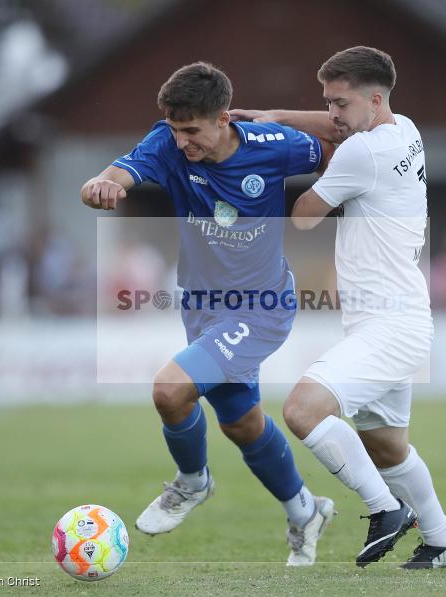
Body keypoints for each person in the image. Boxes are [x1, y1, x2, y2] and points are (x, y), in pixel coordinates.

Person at [80, 62, 336, 565]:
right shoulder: (166, 141)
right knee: (241, 424)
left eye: (191, 131)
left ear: (223, 118)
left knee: (169, 390)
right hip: (201, 306)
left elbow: (336, 141)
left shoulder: (273, 144)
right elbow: (117, 173)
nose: (181, 143)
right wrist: (100, 185)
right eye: (175, 130)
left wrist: (320, 178)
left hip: (260, 309)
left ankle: (192, 483)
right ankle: (305, 509)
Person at [232, 46, 446, 569]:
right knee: (387, 449)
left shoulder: (363, 154)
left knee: (301, 411)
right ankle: (443, 540)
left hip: (389, 326)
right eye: (329, 104)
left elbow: (305, 217)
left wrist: (277, 152)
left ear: (373, 100)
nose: (332, 114)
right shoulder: (403, 127)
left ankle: (385, 509)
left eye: (339, 103)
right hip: (397, 318)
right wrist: (278, 117)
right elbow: (340, 125)